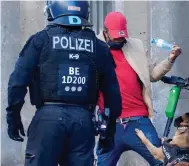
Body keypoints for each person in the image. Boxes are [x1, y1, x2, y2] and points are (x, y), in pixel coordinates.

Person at [6, 1, 122, 166]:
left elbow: (17, 82)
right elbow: (112, 93)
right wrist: (109, 130)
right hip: (83, 121)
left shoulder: (41, 40)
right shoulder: (99, 47)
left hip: (48, 119)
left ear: (53, 12)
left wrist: (13, 117)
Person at [96, 11, 182, 166]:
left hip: (138, 120)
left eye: (122, 36)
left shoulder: (136, 46)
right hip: (110, 125)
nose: (120, 39)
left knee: (163, 162)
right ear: (105, 32)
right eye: (116, 36)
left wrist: (170, 59)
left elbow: (152, 74)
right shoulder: (93, 48)